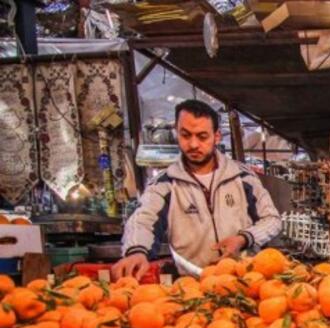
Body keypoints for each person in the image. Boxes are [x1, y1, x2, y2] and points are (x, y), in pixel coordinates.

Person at [113, 100, 282, 279]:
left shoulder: (242, 177)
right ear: (177, 133)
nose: (193, 144)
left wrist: (243, 238)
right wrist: (137, 251)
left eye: (202, 137)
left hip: (245, 281)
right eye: (186, 135)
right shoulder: (164, 184)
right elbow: (142, 221)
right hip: (193, 286)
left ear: (216, 137)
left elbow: (271, 219)